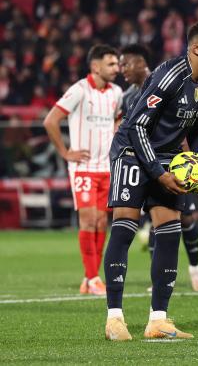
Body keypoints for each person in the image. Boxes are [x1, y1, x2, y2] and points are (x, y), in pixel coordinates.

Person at [103, 20, 198, 341]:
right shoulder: (169, 75)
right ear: (196, 48)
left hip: (169, 156)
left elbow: (196, 129)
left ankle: (158, 320)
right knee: (125, 226)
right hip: (132, 151)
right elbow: (137, 127)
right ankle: (114, 318)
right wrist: (158, 173)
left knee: (169, 233)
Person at [121, 45, 198, 291]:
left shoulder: (168, 79)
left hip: (179, 162)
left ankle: (195, 269)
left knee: (187, 218)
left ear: (140, 62)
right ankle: (157, 278)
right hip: (146, 161)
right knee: (154, 220)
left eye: (126, 64)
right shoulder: (127, 97)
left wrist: (193, 158)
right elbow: (126, 129)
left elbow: (188, 123)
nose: (122, 70)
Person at [43, 45, 123, 296]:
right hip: (83, 168)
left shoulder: (117, 93)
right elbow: (51, 120)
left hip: (106, 167)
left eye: (117, 64)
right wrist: (66, 152)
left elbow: (117, 120)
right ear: (95, 66)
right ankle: (92, 277)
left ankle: (92, 278)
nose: (116, 69)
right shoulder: (79, 90)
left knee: (101, 221)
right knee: (88, 219)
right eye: (111, 64)